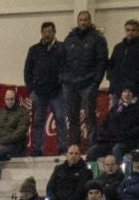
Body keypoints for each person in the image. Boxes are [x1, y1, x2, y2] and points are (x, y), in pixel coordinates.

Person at [62, 10, 109, 152]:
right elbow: (62, 60)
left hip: (89, 83)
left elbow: (102, 61)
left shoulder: (98, 38)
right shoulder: (69, 38)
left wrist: (96, 81)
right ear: (77, 21)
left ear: (90, 21)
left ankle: (92, 147)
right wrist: (63, 78)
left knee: (90, 116)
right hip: (70, 84)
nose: (83, 22)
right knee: (72, 117)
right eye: (80, 20)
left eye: (85, 20)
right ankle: (74, 147)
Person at [24, 21, 68, 156]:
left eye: (49, 32)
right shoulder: (33, 50)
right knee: (37, 122)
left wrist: (63, 84)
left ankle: (62, 148)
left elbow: (68, 68)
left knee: (61, 119)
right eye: (44, 32)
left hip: (58, 92)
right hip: (39, 93)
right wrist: (30, 90)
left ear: (54, 32)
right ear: (41, 33)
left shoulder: (62, 48)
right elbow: (27, 71)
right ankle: (37, 149)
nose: (46, 35)